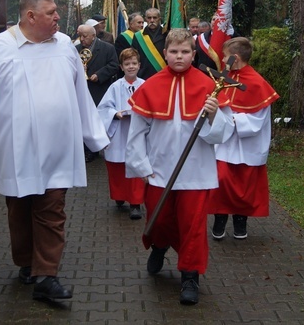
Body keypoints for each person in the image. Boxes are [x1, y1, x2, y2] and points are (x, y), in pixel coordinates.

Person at [0, 0, 109, 302]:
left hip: (58, 147)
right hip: (17, 149)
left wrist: (97, 137)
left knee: (52, 208)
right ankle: (27, 262)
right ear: (30, 17)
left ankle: (46, 276)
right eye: (51, 12)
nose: (57, 18)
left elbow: (80, 91)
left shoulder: (65, 45)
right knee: (20, 209)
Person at [125, 29, 235, 305]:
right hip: (159, 170)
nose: (179, 56)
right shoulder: (150, 85)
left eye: (185, 52)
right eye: (174, 52)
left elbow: (221, 135)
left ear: (193, 54)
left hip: (196, 172)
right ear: (165, 54)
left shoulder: (210, 85)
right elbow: (137, 132)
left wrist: (212, 116)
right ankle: (160, 246)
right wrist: (142, 166)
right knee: (160, 218)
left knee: (193, 226)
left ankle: (190, 276)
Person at [208, 37, 279, 240]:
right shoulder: (225, 79)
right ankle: (219, 222)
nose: (222, 60)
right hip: (225, 143)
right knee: (221, 182)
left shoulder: (257, 83)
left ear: (235, 58)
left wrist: (230, 119)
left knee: (244, 188)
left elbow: (257, 121)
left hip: (246, 145)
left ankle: (240, 223)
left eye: (225, 56)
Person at [97, 48, 147, 219]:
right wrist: (115, 114)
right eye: (127, 64)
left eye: (134, 63)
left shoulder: (145, 85)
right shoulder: (115, 86)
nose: (131, 67)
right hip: (120, 131)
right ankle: (120, 196)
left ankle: (135, 203)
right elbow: (103, 108)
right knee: (118, 167)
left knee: (136, 167)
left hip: (138, 131)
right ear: (121, 66)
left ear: (139, 65)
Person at [76, 24, 119, 162]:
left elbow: (114, 65)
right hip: (81, 91)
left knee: (95, 121)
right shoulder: (75, 49)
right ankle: (85, 149)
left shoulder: (107, 48)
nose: (82, 39)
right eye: (80, 36)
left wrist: (99, 75)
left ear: (93, 36)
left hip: (98, 90)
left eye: (85, 36)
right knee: (82, 120)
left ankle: (95, 149)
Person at [130, 7, 168, 79]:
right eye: (149, 18)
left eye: (155, 18)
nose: (152, 20)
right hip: (144, 77)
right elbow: (134, 56)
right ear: (145, 19)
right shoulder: (138, 36)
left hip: (164, 75)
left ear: (159, 19)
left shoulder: (166, 34)